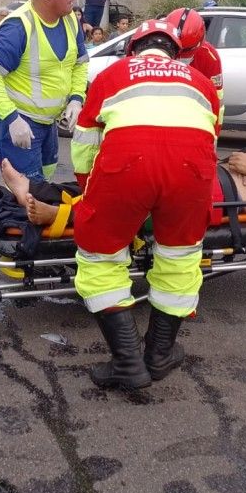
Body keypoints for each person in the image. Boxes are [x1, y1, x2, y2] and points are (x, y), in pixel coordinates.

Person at [71, 20, 220, 390]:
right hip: (193, 173)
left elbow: (85, 143)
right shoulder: (200, 81)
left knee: (100, 259)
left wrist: (88, 192)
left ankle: (126, 363)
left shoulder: (113, 74)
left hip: (126, 166)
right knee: (180, 259)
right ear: (177, 52)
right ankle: (159, 354)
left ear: (132, 49)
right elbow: (211, 140)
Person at [1, 149, 246, 231]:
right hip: (212, 174)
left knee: (139, 207)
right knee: (126, 178)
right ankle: (34, 188)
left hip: (228, 196)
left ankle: (60, 217)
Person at [0, 0, 88, 182]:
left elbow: (80, 63)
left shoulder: (70, 21)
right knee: (28, 189)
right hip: (18, 118)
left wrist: (76, 99)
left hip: (46, 120)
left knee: (45, 176)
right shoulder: (18, 27)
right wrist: (11, 118)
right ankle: (16, 215)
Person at [165, 7, 223, 124]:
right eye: (176, 51)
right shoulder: (154, 48)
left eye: (186, 52)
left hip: (193, 115)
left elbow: (216, 100)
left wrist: (214, 134)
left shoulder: (210, 57)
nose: (180, 57)